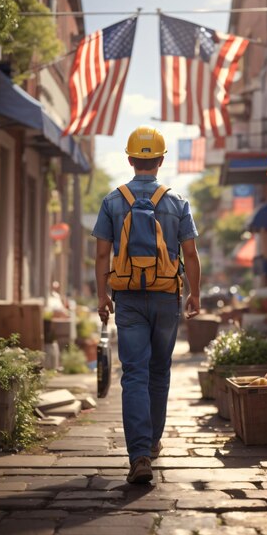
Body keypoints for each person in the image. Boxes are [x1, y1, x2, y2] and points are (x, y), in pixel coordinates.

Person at [92, 125, 201, 484]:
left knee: (134, 373)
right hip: (166, 296)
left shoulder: (112, 200)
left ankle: (138, 454)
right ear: (160, 160)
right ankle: (153, 442)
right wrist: (194, 294)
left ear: (129, 158)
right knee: (159, 371)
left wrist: (101, 295)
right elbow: (191, 253)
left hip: (128, 300)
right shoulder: (176, 202)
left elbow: (101, 254)